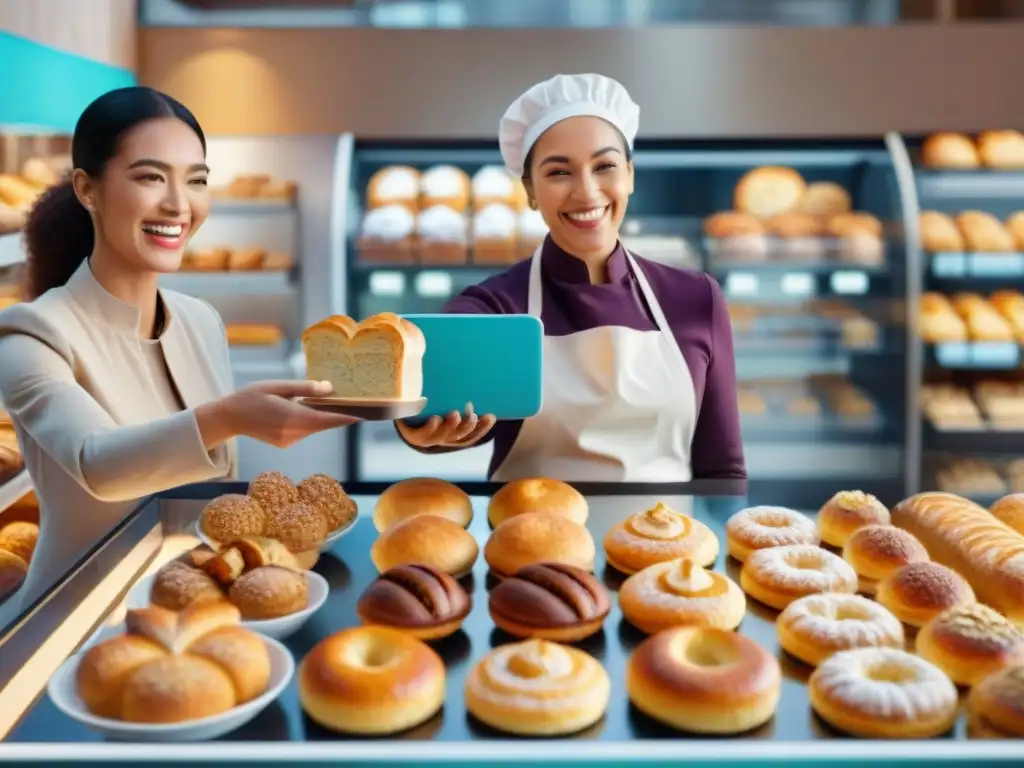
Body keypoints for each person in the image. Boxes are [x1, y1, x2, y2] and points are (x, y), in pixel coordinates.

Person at [0, 87, 355, 613]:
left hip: (202, 600)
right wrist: (229, 415)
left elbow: (203, 491)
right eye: (150, 177)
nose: (179, 204)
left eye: (196, 180)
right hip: (76, 612)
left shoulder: (200, 320)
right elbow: (100, 465)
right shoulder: (27, 334)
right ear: (87, 189)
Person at [397, 73, 745, 483]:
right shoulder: (495, 306)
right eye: (559, 172)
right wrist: (421, 426)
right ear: (529, 190)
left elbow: (722, 472)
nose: (587, 192)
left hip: (669, 543)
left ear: (630, 175)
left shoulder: (696, 297)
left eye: (605, 166)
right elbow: (440, 379)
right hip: (530, 541)